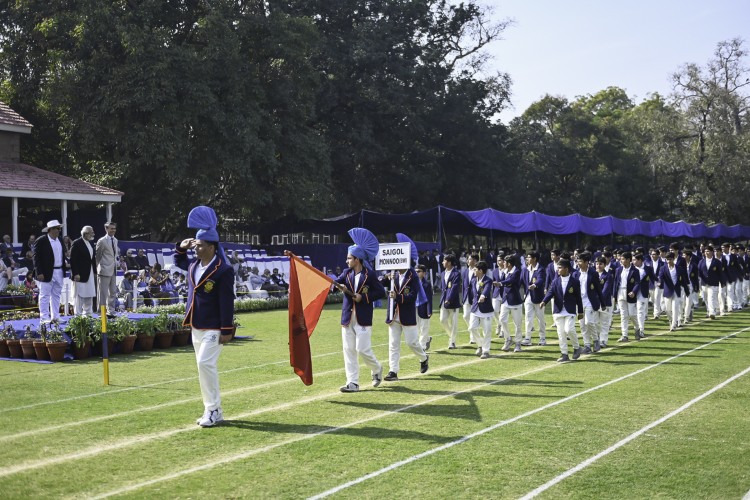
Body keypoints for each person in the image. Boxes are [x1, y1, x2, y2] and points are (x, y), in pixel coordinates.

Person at [174, 205, 235, 427]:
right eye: (195, 245)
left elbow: (227, 301)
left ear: (211, 247)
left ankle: (212, 409)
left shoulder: (223, 270)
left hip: (215, 326)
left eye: (199, 245)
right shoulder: (193, 265)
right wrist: (181, 248)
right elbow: (179, 261)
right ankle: (214, 409)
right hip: (196, 324)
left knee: (204, 363)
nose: (196, 248)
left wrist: (226, 329)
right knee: (203, 367)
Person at [334, 227, 386, 393]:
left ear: (357, 259)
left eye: (349, 258)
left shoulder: (370, 275)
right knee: (348, 350)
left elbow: (380, 292)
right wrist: (337, 286)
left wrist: (363, 297)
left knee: (362, 349)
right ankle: (353, 382)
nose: (346, 261)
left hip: (363, 318)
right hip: (347, 317)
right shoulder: (346, 273)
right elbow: (335, 284)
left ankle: (377, 368)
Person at [381, 234, 429, 381]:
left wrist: (398, 297)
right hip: (393, 314)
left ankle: (423, 357)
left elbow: (413, 297)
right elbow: (380, 283)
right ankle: (393, 371)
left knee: (412, 342)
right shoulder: (392, 274)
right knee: (393, 344)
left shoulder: (412, 276)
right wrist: (385, 278)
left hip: (407, 314)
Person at [540, 259, 583, 362]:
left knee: (569, 329)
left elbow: (578, 297)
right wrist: (544, 301)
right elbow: (550, 292)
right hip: (558, 311)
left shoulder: (575, 282)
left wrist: (580, 311)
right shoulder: (555, 281)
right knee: (561, 333)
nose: (558, 270)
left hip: (570, 310)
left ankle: (577, 347)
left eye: (560, 268)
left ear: (566, 269)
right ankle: (564, 354)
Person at [32, 219, 67, 323]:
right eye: (57, 228)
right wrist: (39, 272)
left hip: (59, 270)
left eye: (59, 228)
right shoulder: (41, 240)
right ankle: (44, 317)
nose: (59, 230)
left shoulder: (60, 240)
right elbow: (36, 257)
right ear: (50, 229)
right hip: (46, 272)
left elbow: (62, 255)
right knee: (44, 295)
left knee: (56, 295)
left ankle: (55, 316)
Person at [574, 252, 604, 354]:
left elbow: (598, 289)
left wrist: (602, 303)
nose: (578, 263)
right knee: (582, 324)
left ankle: (596, 340)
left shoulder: (593, 273)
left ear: (587, 262)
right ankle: (587, 345)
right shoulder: (576, 274)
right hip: (579, 302)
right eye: (577, 261)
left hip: (590, 301)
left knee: (589, 322)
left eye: (580, 261)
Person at [468, 261, 494, 359]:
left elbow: (487, 289)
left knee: (487, 331)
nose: (473, 271)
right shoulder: (473, 280)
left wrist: (483, 296)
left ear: (480, 271)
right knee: (472, 328)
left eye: (475, 269)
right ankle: (480, 345)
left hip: (486, 309)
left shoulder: (488, 280)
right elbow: (472, 293)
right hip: (475, 308)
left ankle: (486, 351)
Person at [498, 255, 524, 352]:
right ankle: (508, 339)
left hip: (514, 300)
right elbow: (502, 280)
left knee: (517, 323)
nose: (503, 263)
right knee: (502, 320)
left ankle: (518, 343)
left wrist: (500, 283)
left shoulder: (516, 271)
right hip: (505, 300)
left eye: (504, 262)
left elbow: (511, 281)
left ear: (509, 264)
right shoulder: (505, 271)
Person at [70, 225, 97, 316]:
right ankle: (77, 314)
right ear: (85, 234)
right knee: (79, 295)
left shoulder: (90, 243)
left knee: (89, 293)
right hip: (80, 274)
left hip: (89, 273)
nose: (93, 234)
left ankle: (88, 314)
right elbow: (73, 260)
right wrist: (75, 273)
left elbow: (92, 259)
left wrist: (95, 271)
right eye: (91, 232)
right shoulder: (77, 243)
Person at [659, 252, 690, 331]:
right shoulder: (663, 268)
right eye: (667, 259)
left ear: (673, 259)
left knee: (675, 308)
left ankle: (673, 324)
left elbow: (683, 281)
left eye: (670, 259)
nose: (668, 261)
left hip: (676, 291)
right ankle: (671, 320)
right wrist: (659, 283)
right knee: (667, 310)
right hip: (668, 291)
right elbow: (661, 277)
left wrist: (687, 290)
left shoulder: (679, 269)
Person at [522, 251, 547, 346]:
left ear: (534, 259)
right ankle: (527, 338)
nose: (527, 259)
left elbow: (540, 279)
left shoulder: (540, 269)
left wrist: (534, 285)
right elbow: (521, 280)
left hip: (538, 297)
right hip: (528, 297)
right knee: (528, 318)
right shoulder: (525, 269)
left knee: (540, 319)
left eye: (529, 257)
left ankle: (542, 338)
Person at [95, 221, 120, 318]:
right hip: (104, 270)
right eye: (111, 228)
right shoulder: (101, 241)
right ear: (106, 229)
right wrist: (97, 268)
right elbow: (98, 256)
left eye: (114, 228)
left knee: (113, 292)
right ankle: (101, 313)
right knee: (102, 293)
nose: (113, 230)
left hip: (113, 269)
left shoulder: (115, 240)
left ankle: (111, 311)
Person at [614, 251, 639, 342]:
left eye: (623, 259)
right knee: (623, 315)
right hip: (620, 292)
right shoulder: (618, 270)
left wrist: (634, 292)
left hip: (630, 293)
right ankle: (624, 335)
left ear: (628, 260)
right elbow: (615, 283)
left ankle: (637, 328)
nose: (621, 261)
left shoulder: (635, 270)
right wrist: (615, 296)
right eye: (621, 259)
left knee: (632, 314)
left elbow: (637, 283)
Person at [439, 253, 462, 349]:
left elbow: (454, 288)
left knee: (454, 322)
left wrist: (449, 298)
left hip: (453, 301)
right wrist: (444, 299)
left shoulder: (456, 273)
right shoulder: (443, 273)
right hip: (443, 300)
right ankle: (451, 337)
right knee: (442, 320)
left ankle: (452, 342)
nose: (442, 262)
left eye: (444, 261)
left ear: (449, 262)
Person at [595, 256, 615, 348]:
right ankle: (597, 339)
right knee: (594, 322)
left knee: (604, 323)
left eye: (601, 264)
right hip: (594, 303)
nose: (598, 266)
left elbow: (606, 290)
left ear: (605, 265)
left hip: (605, 303)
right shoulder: (592, 275)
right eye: (597, 264)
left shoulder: (608, 276)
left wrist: (598, 299)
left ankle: (603, 340)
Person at [698, 245, 721, 319]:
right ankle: (708, 311)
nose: (706, 253)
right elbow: (699, 272)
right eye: (705, 251)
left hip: (714, 283)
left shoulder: (717, 262)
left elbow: (720, 273)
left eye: (708, 251)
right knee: (705, 298)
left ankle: (712, 313)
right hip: (704, 283)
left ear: (712, 252)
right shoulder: (701, 261)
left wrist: (722, 281)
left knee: (711, 297)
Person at [416, 264, 433, 351]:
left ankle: (422, 346)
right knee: (417, 328)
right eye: (415, 271)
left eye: (418, 271)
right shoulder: (412, 282)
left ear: (424, 273)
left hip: (424, 308)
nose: (417, 273)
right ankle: (427, 339)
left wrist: (429, 310)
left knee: (424, 327)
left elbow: (429, 298)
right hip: (414, 308)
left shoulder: (427, 284)